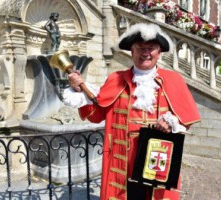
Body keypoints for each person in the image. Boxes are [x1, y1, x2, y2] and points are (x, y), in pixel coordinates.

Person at [64, 23, 201, 200]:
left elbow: (186, 117)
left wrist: (172, 121)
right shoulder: (116, 79)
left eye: (151, 48)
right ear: (132, 52)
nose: (145, 53)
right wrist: (79, 91)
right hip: (123, 159)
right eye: (140, 48)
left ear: (159, 53)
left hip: (158, 156)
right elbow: (96, 115)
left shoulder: (173, 79)